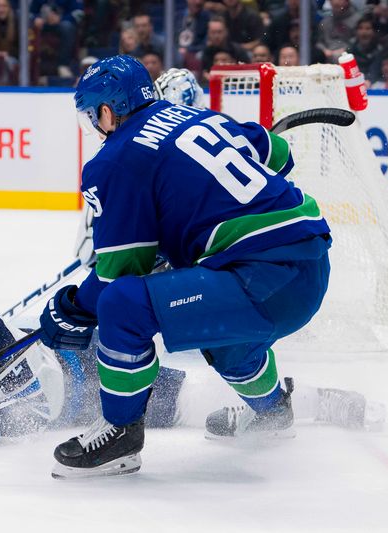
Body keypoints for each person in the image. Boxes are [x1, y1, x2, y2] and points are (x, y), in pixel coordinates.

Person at [38, 55, 332, 479]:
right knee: (222, 335)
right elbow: (280, 156)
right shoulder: (198, 117)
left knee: (122, 304)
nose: (94, 125)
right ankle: (274, 413)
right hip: (310, 266)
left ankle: (120, 434)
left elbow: (115, 278)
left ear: (107, 111)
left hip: (262, 278)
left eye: (93, 115)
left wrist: (69, 307)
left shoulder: (114, 160)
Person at [0, 277, 382, 460]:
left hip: (89, 381)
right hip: (74, 384)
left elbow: (35, 408)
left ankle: (318, 401)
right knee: (204, 410)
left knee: (193, 403)